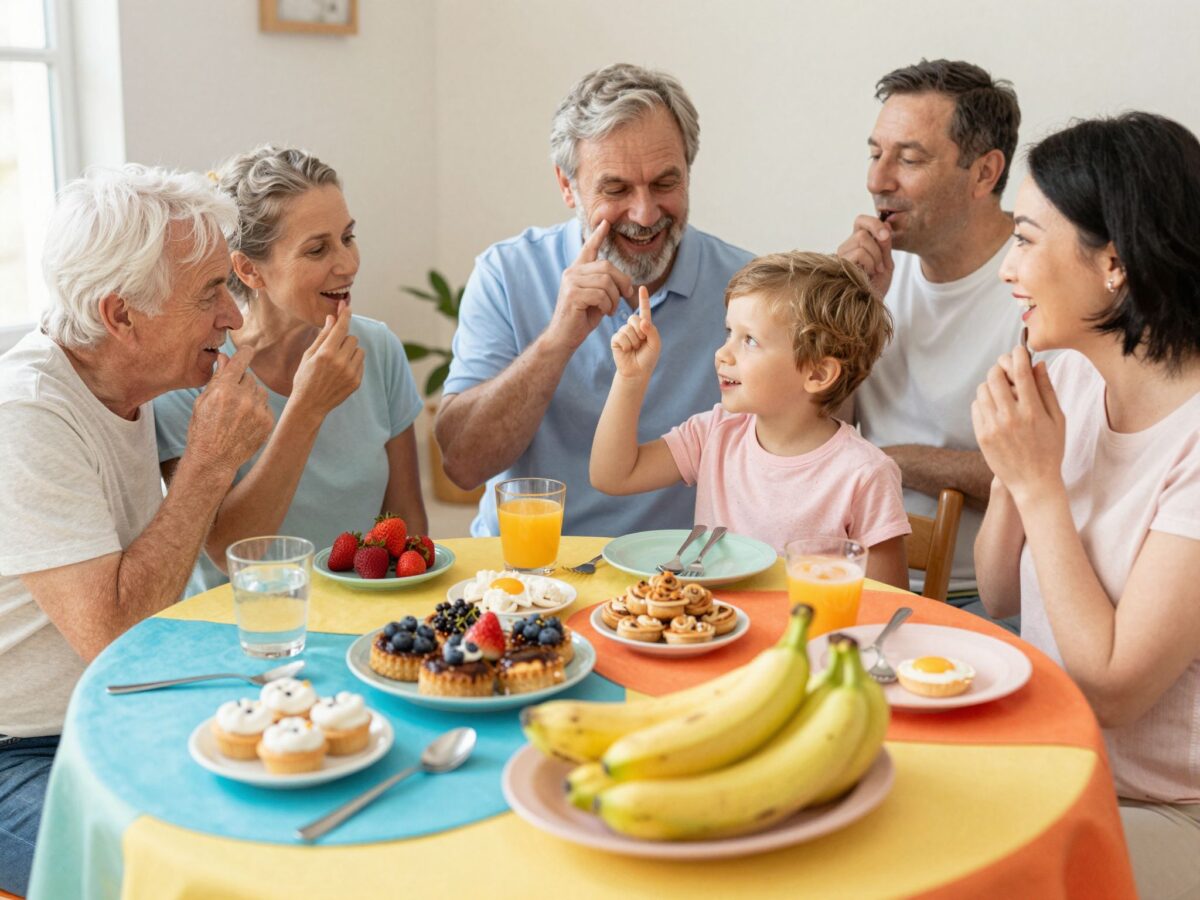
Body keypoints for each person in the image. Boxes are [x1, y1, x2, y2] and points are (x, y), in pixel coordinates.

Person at [0, 165, 273, 895]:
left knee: (296, 801)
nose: (233, 316)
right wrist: (209, 463)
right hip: (20, 750)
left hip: (120, 705)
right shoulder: (25, 415)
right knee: (182, 871)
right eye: (210, 293)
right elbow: (114, 635)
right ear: (121, 316)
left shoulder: (133, 381)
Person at [972, 113, 1200, 898]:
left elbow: (1113, 690)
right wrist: (1009, 471)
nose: (1007, 270)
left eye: (1025, 240)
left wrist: (1039, 484)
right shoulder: (1069, 375)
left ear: (1115, 263)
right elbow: (1000, 594)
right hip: (1053, 758)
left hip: (1158, 808)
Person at [436, 63, 753, 538]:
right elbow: (463, 465)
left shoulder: (745, 287)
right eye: (616, 189)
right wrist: (557, 339)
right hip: (533, 567)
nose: (644, 214)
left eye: (665, 183)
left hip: (684, 568)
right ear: (567, 187)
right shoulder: (506, 273)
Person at [154, 146, 427, 595]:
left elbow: (407, 527)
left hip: (358, 615)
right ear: (249, 270)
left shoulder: (377, 348)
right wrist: (307, 408)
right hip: (241, 624)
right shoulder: (195, 377)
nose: (348, 264)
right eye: (317, 249)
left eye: (348, 237)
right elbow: (228, 552)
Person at [591, 252, 910, 587]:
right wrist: (630, 379)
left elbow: (889, 601)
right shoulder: (715, 433)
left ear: (817, 373)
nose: (722, 353)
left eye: (750, 341)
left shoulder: (865, 474)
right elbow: (612, 476)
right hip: (712, 618)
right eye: (729, 332)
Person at [837, 59, 1023, 615]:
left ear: (984, 173)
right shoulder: (870, 276)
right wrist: (845, 317)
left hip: (986, 601)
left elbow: (1044, 471)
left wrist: (885, 460)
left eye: (910, 159)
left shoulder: (1038, 286)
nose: (877, 181)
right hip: (859, 580)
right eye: (875, 154)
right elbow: (815, 438)